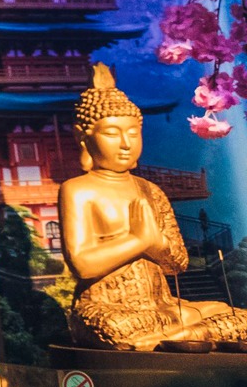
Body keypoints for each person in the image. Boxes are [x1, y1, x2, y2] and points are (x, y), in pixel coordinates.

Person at [60, 64, 247, 351]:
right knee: (111, 327)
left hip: (163, 306)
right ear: (82, 137)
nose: (125, 144)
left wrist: (157, 242)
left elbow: (178, 263)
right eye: (112, 133)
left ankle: (182, 337)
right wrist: (139, 240)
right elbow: (82, 265)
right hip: (109, 308)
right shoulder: (78, 190)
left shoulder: (150, 190)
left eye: (133, 133)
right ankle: (190, 336)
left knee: (235, 315)